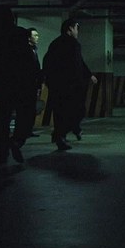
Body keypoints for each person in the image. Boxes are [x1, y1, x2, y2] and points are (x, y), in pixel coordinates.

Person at [0, 6, 33, 163]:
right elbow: (27, 58)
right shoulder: (20, 33)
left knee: (2, 117)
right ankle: (17, 140)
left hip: (0, 81)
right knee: (24, 114)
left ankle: (1, 150)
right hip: (19, 81)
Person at [42, 19, 97, 150]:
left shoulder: (55, 43)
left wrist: (48, 81)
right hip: (71, 85)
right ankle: (65, 132)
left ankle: (60, 136)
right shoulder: (73, 44)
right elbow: (78, 64)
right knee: (78, 111)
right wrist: (84, 78)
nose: (77, 32)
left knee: (60, 112)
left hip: (57, 86)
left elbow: (47, 62)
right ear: (70, 29)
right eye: (76, 28)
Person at [25, 27, 43, 138]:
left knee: (32, 108)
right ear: (29, 38)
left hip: (34, 83)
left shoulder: (34, 50)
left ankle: (28, 129)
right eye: (35, 35)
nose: (37, 37)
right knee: (27, 108)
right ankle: (25, 130)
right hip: (28, 84)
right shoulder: (27, 51)